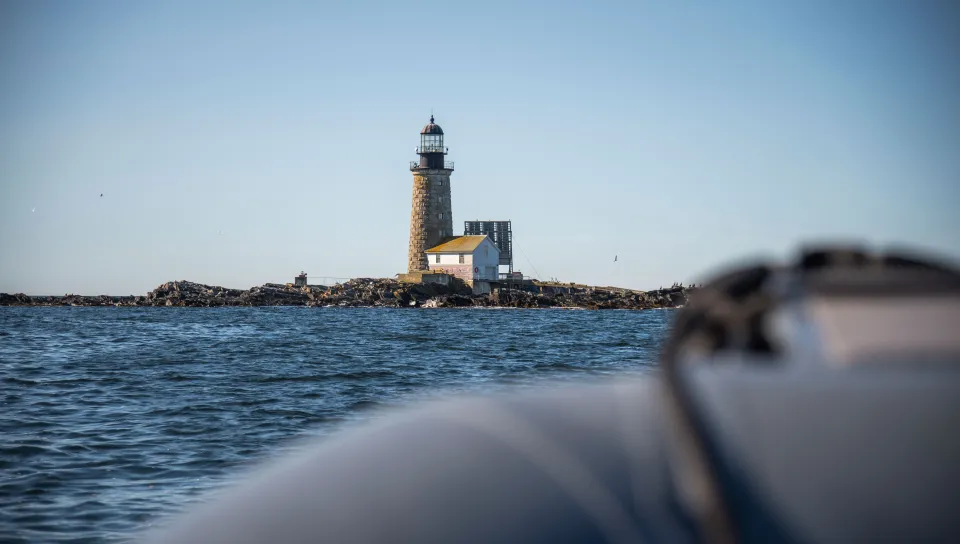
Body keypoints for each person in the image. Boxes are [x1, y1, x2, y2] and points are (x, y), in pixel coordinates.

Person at [145, 246, 960, 544]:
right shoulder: (458, 257)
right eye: (428, 147)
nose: (429, 153)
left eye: (431, 148)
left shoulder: (464, 257)